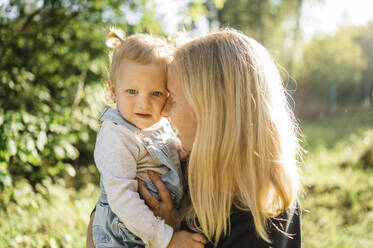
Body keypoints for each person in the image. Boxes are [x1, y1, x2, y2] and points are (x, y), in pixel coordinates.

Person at [138, 28, 302, 247]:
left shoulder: (262, 215)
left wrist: (165, 233)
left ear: (212, 112)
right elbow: (97, 228)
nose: (164, 111)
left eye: (174, 99)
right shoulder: (177, 170)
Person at [90, 28, 206, 248]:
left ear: (167, 94)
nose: (144, 104)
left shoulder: (162, 123)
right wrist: (168, 239)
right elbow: (121, 198)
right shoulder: (116, 134)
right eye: (132, 91)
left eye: (155, 93)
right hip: (125, 235)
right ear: (114, 91)